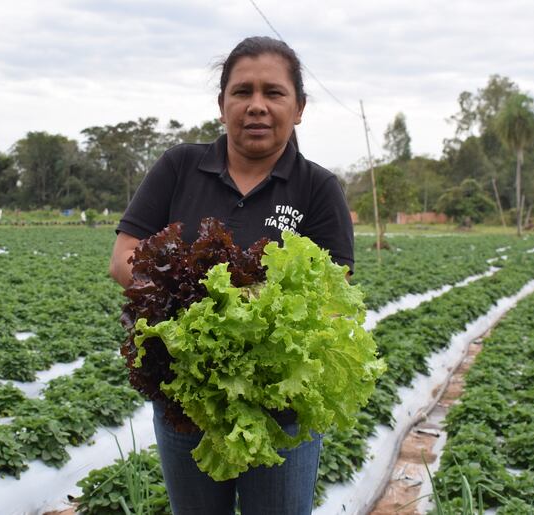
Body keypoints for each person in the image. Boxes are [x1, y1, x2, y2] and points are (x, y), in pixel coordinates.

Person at [109, 36, 354, 515]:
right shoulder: (179, 166)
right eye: (242, 92)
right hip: (188, 392)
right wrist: (211, 312)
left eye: (274, 92)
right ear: (222, 105)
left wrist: (251, 317)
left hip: (279, 403)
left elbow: (332, 292)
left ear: (299, 107)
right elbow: (124, 258)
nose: (256, 106)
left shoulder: (317, 187)